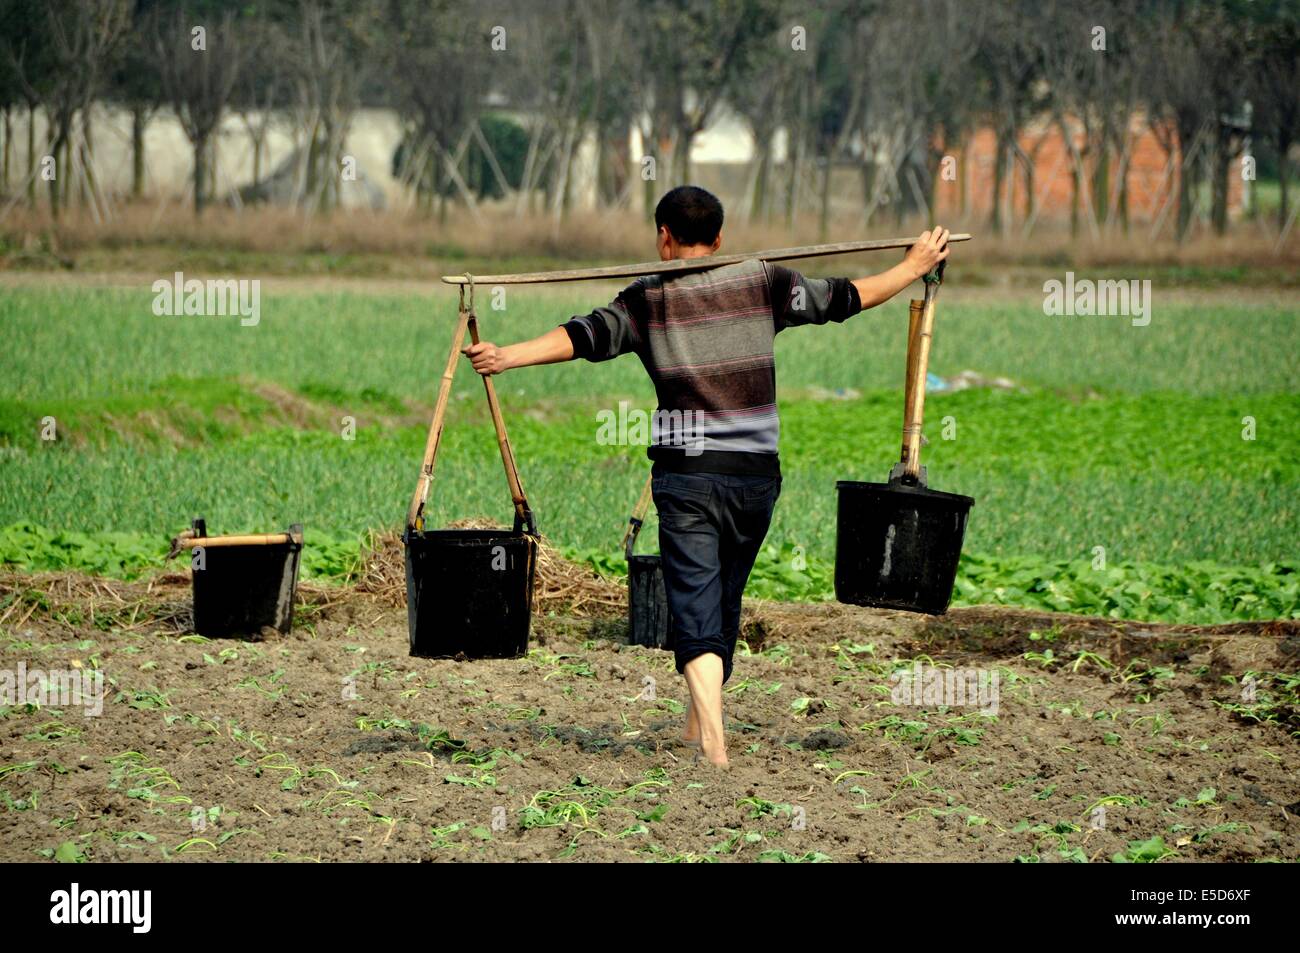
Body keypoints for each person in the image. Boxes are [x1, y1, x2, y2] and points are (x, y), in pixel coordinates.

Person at [464, 185, 950, 767]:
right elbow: (847, 297)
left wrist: (507, 356)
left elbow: (583, 337)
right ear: (719, 238)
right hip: (755, 480)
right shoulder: (764, 282)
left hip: (689, 479)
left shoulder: (647, 299)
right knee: (721, 603)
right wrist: (913, 266)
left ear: (663, 238)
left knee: (696, 608)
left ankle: (714, 746)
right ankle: (695, 729)